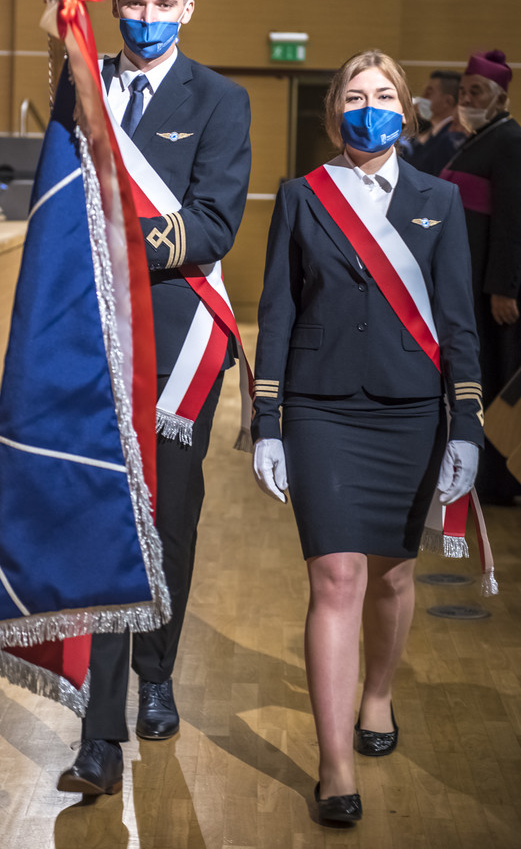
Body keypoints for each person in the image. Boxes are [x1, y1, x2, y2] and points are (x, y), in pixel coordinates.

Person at [251, 50, 483, 826]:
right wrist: (266, 422)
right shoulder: (300, 196)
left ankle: (376, 695)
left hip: (409, 410)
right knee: (335, 578)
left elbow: (457, 321)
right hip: (320, 409)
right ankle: (334, 767)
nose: (368, 108)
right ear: (333, 112)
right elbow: (276, 312)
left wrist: (466, 425)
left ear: (406, 109)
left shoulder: (438, 199)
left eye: (383, 95)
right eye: (354, 96)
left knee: (390, 577)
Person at [57, 0, 251, 796]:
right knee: (105, 517)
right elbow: (56, 189)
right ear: (115, 4)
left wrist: (116, 238)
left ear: (186, 9)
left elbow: (213, 222)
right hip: (90, 331)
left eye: (162, 4)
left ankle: (157, 668)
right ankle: (98, 735)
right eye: (132, 3)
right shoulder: (80, 81)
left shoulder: (221, 100)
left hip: (178, 336)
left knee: (168, 519)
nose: (146, 19)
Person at [441, 49, 521, 505]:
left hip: (489, 290)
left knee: (491, 375)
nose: (467, 99)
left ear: (501, 99)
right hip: (466, 283)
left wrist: (503, 288)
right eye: (464, 92)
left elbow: (513, 220)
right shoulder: (477, 139)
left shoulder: (509, 140)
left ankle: (496, 480)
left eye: (477, 92)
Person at [404, 70, 465, 176]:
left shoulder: (450, 140)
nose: (422, 97)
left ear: (448, 101)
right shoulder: (434, 134)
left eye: (428, 93)